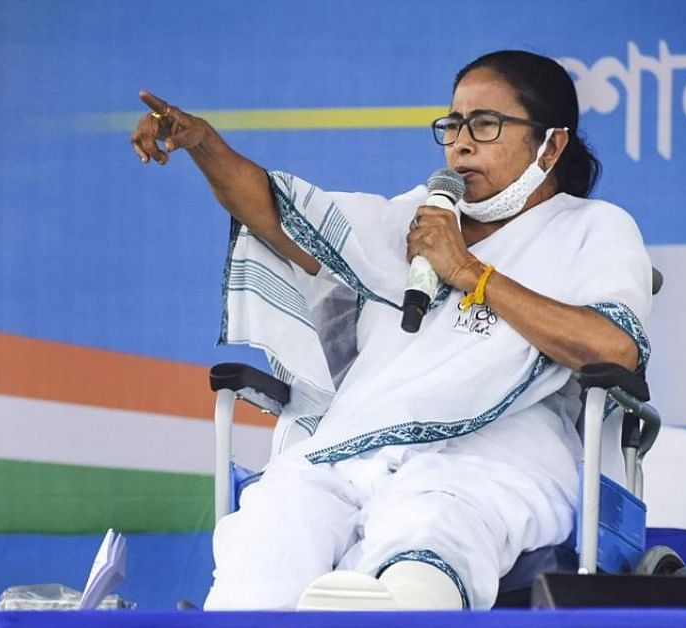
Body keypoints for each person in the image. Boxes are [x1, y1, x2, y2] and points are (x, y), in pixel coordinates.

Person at [131, 50, 652, 610]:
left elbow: (614, 348)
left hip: (498, 451)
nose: (461, 143)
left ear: (552, 144)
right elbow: (277, 214)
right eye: (452, 125)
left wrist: (470, 273)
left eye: (485, 124)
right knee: (272, 524)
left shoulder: (593, 228)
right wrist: (203, 144)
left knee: (432, 524)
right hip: (356, 443)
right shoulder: (419, 218)